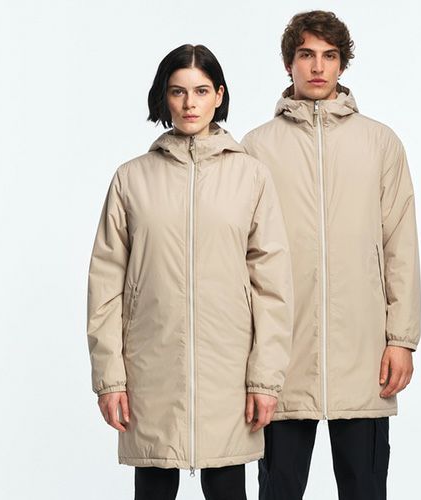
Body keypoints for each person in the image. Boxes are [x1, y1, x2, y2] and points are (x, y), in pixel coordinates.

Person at [86, 44, 293, 500]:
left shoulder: (251, 177)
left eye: (201, 91)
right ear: (164, 97)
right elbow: (105, 286)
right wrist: (110, 378)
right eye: (178, 91)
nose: (189, 103)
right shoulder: (131, 178)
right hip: (150, 369)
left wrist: (265, 379)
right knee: (153, 488)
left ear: (219, 95)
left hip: (229, 372)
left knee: (228, 488)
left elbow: (273, 288)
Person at [241, 11, 421, 500]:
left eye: (329, 56)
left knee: (365, 489)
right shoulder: (256, 148)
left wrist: (401, 339)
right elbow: (243, 259)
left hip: (363, 355)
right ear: (288, 63)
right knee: (278, 489)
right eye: (306, 55)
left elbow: (400, 245)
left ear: (342, 64)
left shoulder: (380, 142)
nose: (318, 67)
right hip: (282, 359)